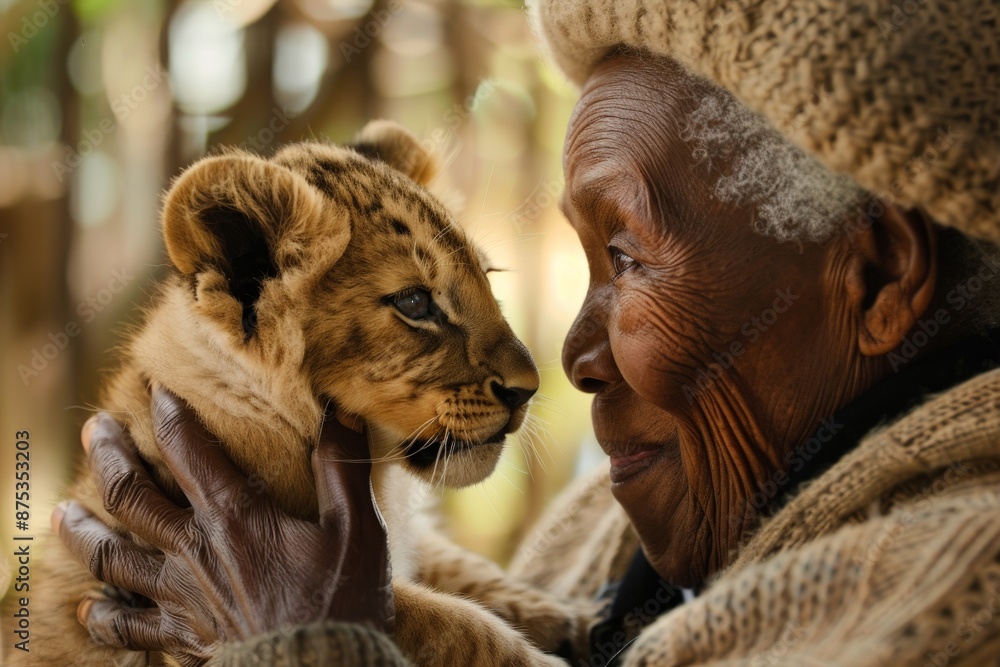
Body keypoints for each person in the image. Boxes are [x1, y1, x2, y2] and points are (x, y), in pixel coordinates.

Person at [54, 0, 1000, 664]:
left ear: (876, 280)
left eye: (627, 259)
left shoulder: (953, 603)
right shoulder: (604, 528)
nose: (570, 361)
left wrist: (305, 648)